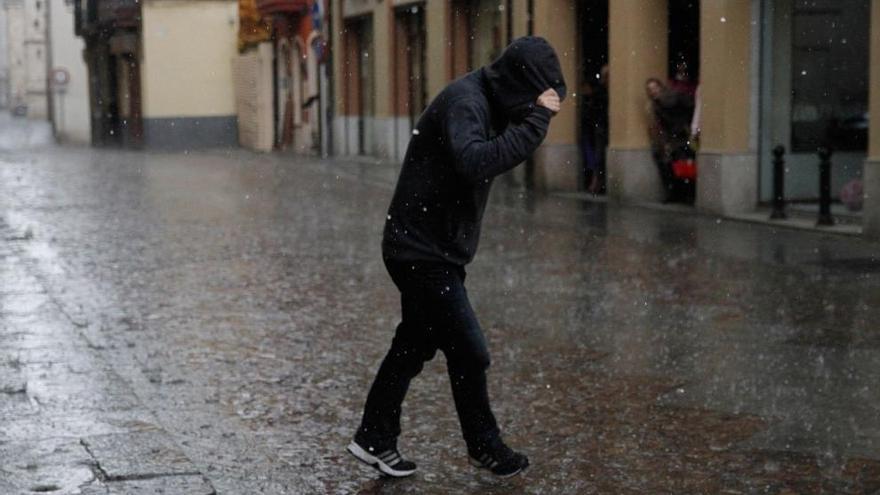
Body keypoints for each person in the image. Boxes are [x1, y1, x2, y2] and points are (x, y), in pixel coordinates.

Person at [347, 36, 565, 479]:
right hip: (420, 253)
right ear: (519, 84)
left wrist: (532, 116)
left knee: (414, 343)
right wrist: (537, 120)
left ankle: (373, 436)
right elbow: (474, 161)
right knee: (470, 351)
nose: (531, 110)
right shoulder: (466, 102)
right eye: (532, 99)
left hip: (431, 248)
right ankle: (485, 448)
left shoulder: (489, 99)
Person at [645, 77, 694, 202]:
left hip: (680, 135)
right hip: (670, 138)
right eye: (650, 89)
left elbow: (687, 109)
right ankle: (676, 194)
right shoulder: (655, 105)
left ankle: (685, 194)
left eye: (655, 88)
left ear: (660, 87)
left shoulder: (673, 98)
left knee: (682, 165)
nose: (653, 91)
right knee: (671, 166)